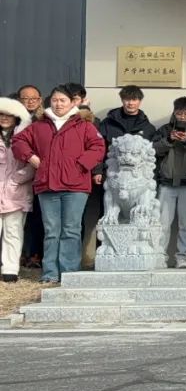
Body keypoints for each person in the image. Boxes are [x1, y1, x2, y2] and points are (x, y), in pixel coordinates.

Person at [12, 85, 105, 283]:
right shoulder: (39, 125)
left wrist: (80, 165)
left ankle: (69, 272)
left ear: (72, 103)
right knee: (51, 230)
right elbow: (19, 142)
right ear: (50, 102)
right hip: (47, 185)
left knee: (71, 229)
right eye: (55, 100)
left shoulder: (84, 125)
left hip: (76, 186)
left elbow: (98, 147)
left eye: (63, 100)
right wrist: (31, 157)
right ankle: (50, 273)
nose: (58, 104)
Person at [152, 97, 186, 269]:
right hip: (166, 182)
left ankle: (183, 258)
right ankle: (160, 256)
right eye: (179, 113)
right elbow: (152, 151)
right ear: (174, 112)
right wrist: (169, 140)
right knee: (163, 223)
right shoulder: (164, 130)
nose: (183, 117)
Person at [68, 83, 103, 268]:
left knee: (84, 220)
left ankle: (82, 259)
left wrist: (97, 170)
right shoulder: (55, 120)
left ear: (83, 100)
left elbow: (98, 148)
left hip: (85, 176)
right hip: (62, 177)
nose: (72, 103)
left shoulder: (93, 121)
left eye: (75, 99)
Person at [0, 97, 33, 283]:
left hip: (17, 192)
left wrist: (15, 180)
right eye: (1, 114)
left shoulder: (26, 136)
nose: (4, 118)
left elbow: (32, 163)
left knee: (13, 231)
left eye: (9, 115)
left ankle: (10, 269)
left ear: (17, 117)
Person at [16, 85, 44, 268]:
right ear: (19, 100)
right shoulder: (13, 119)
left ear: (40, 100)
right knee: (17, 218)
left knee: (38, 217)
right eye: (26, 98)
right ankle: (19, 254)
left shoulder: (46, 118)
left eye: (34, 98)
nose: (30, 102)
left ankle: (35, 254)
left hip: (40, 173)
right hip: (16, 173)